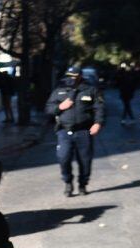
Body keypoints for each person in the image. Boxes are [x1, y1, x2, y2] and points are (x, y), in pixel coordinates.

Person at [45, 66, 105, 196]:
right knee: (63, 158)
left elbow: (99, 107)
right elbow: (49, 108)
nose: (71, 79)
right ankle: (68, 182)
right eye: (69, 76)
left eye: (74, 76)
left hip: (84, 131)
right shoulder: (59, 90)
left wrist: (98, 123)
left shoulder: (90, 89)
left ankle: (83, 184)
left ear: (80, 76)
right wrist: (60, 106)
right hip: (64, 131)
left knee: (85, 160)